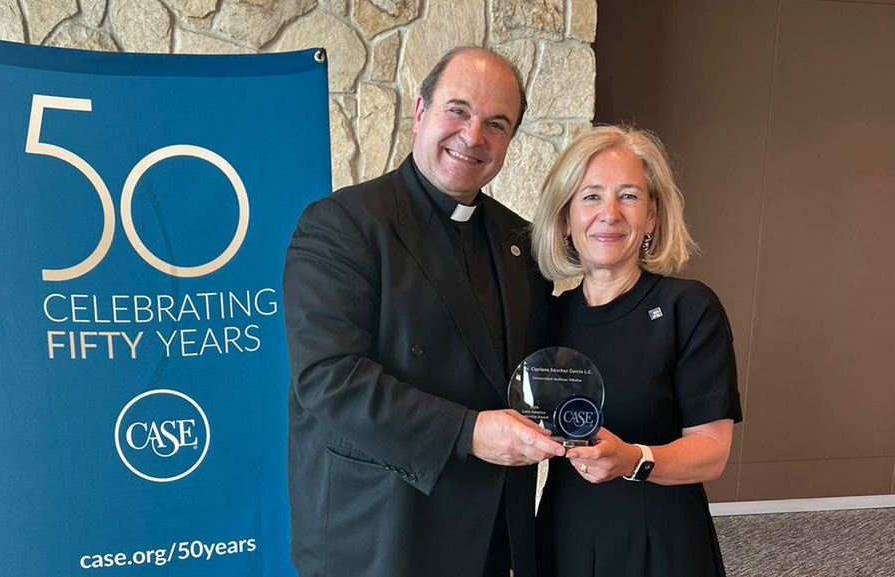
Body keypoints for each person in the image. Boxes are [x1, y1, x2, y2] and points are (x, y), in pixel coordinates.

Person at [282, 47, 566, 577]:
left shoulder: (520, 241)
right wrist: (469, 432)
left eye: (496, 124)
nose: (473, 136)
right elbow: (328, 378)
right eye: (458, 110)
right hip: (385, 527)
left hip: (492, 530)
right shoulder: (343, 224)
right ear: (420, 112)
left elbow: (538, 365)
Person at [530, 125, 743, 577]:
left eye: (628, 196)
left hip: (659, 538)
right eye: (590, 196)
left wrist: (634, 460)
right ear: (565, 219)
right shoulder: (545, 318)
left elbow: (712, 451)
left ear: (651, 217)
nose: (609, 214)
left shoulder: (688, 308)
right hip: (564, 529)